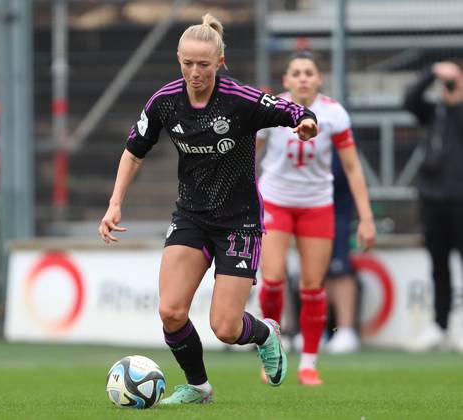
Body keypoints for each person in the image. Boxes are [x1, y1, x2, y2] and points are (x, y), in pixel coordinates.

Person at [98, 14, 318, 403]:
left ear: (220, 62)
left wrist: (306, 122)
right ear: (178, 60)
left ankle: (265, 334)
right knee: (170, 311)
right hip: (192, 216)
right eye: (187, 64)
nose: (194, 72)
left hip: (240, 223)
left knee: (226, 328)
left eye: (203, 64)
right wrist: (115, 203)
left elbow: (291, 110)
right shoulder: (165, 101)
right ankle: (199, 388)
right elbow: (134, 153)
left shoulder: (239, 100)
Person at [256, 50, 376, 386]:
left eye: (309, 72)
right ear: (286, 80)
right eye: (296, 72)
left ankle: (309, 362)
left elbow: (352, 167)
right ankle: (272, 353)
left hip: (317, 205)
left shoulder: (334, 113)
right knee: (274, 277)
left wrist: (366, 217)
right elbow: (249, 156)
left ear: (319, 78)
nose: (303, 78)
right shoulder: (270, 108)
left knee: (312, 284)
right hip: (275, 201)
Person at [403, 61, 463, 352]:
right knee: (439, 267)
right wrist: (432, 72)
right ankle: (440, 326)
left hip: (460, 199)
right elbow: (410, 99)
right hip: (433, 200)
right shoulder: (434, 112)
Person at [325, 149, 361, 354]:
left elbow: (346, 169)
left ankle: (345, 329)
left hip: (336, 207)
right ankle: (316, 329)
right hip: (304, 206)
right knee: (315, 271)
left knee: (340, 268)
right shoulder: (290, 121)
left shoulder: (335, 119)